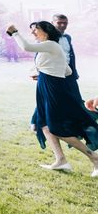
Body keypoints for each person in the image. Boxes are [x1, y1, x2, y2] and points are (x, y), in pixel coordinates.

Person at [7, 22, 98, 176]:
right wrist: (46, 73)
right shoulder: (48, 48)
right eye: (32, 31)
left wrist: (14, 32)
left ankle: (95, 158)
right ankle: (61, 160)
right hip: (46, 87)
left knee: (57, 128)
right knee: (44, 124)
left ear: (46, 31)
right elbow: (67, 70)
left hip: (53, 90)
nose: (33, 33)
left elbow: (26, 47)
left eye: (36, 30)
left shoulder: (52, 45)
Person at [52, 13, 83, 103]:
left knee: (75, 97)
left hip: (69, 72)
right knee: (55, 99)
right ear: (52, 23)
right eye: (59, 23)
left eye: (65, 23)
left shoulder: (68, 37)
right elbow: (39, 55)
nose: (63, 25)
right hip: (54, 72)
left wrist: (74, 71)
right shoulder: (47, 38)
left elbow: (70, 55)